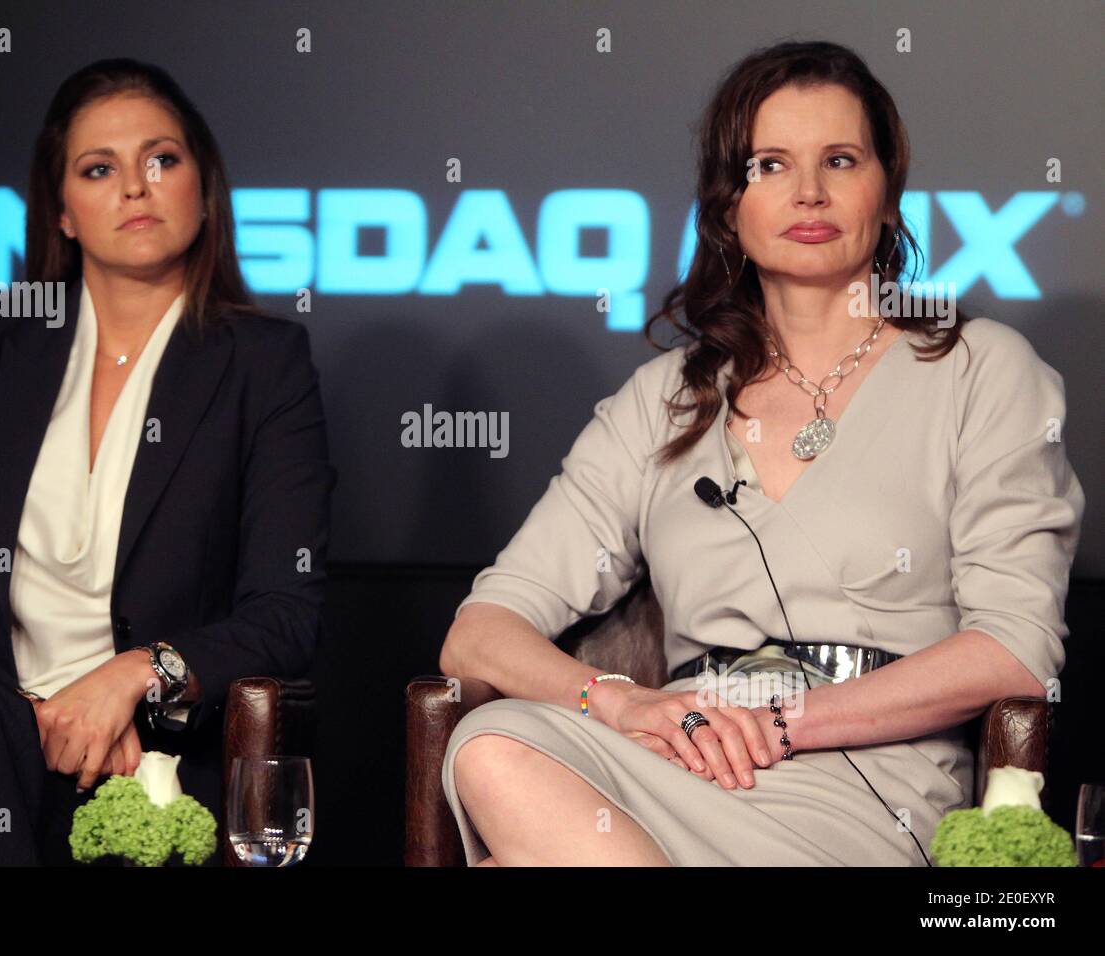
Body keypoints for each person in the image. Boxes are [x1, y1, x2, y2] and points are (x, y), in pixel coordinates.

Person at [438, 40, 1086, 866]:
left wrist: (786, 722)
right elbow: (481, 633)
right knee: (493, 745)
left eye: (841, 160)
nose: (809, 192)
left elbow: (1014, 651)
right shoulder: (667, 397)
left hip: (864, 782)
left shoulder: (983, 370)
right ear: (727, 206)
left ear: (887, 195)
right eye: (770, 164)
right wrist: (622, 702)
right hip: (676, 754)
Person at [0, 58, 335, 865]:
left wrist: (134, 675)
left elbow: (284, 614)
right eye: (99, 168)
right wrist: (24, 720)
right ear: (61, 211)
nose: (135, 187)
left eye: (162, 159)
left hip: (141, 757)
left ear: (203, 183)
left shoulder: (264, 366)